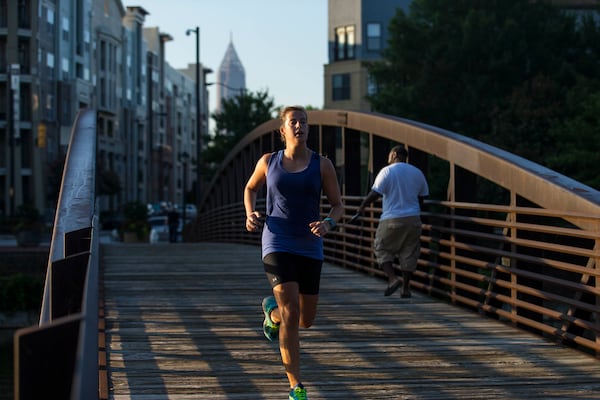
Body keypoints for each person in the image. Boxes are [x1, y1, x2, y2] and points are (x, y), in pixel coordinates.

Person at [244, 105, 344, 400]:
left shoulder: (322, 165)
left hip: (310, 244)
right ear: (282, 130)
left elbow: (338, 205)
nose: (299, 126)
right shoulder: (268, 161)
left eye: (303, 122)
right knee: (292, 312)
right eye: (293, 122)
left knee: (305, 319)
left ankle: (270, 314)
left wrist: (329, 222)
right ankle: (295, 387)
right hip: (277, 241)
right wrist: (250, 213)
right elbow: (250, 188)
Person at [356, 145, 429, 298]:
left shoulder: (387, 171)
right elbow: (422, 198)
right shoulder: (417, 173)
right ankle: (406, 289)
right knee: (409, 253)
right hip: (414, 219)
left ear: (394, 154)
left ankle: (392, 279)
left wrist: (362, 206)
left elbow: (375, 193)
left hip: (392, 219)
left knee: (381, 248)